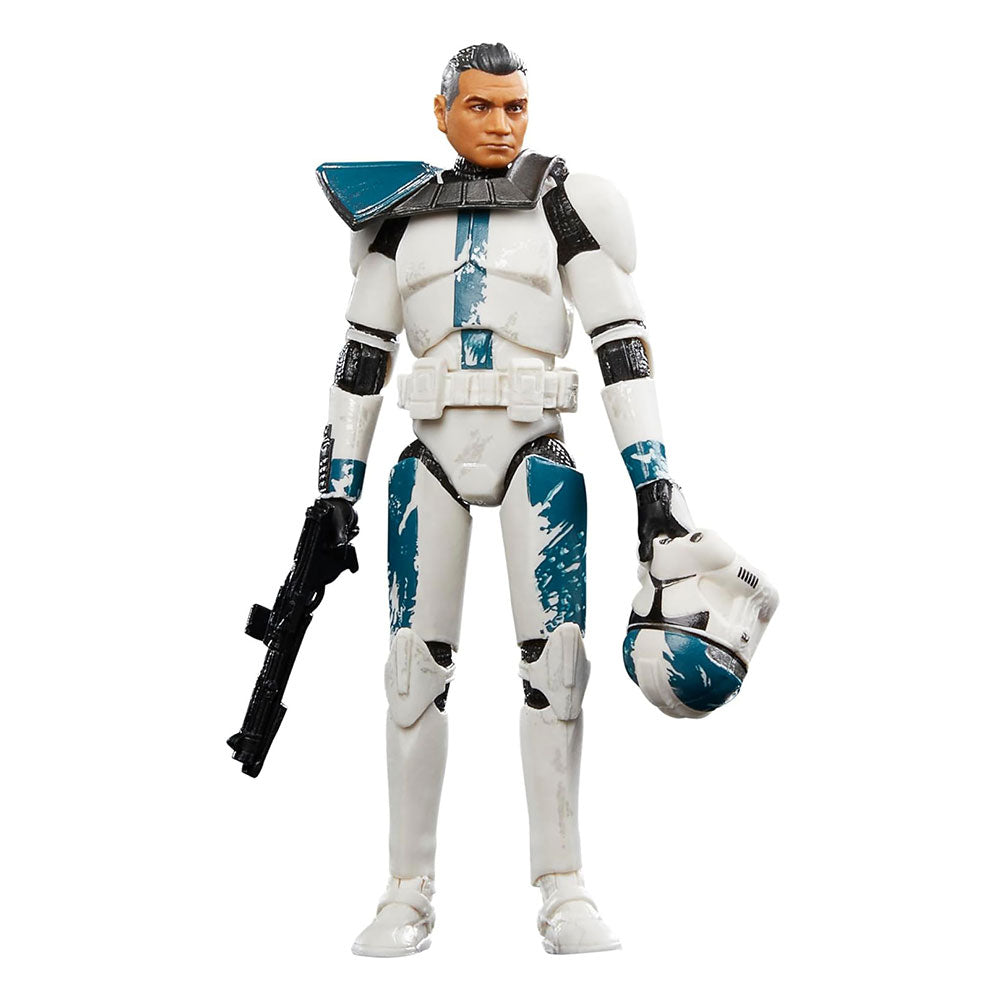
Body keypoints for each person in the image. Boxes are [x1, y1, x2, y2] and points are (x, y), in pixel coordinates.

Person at [317, 41, 696, 956]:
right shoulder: (396, 217)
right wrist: (335, 490)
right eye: (481, 106)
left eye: (515, 107)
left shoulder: (565, 204)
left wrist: (654, 483)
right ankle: (406, 889)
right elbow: (362, 358)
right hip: (430, 457)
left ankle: (563, 886)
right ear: (442, 111)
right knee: (412, 672)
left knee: (556, 666)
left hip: (539, 451)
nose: (500, 124)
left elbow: (621, 343)